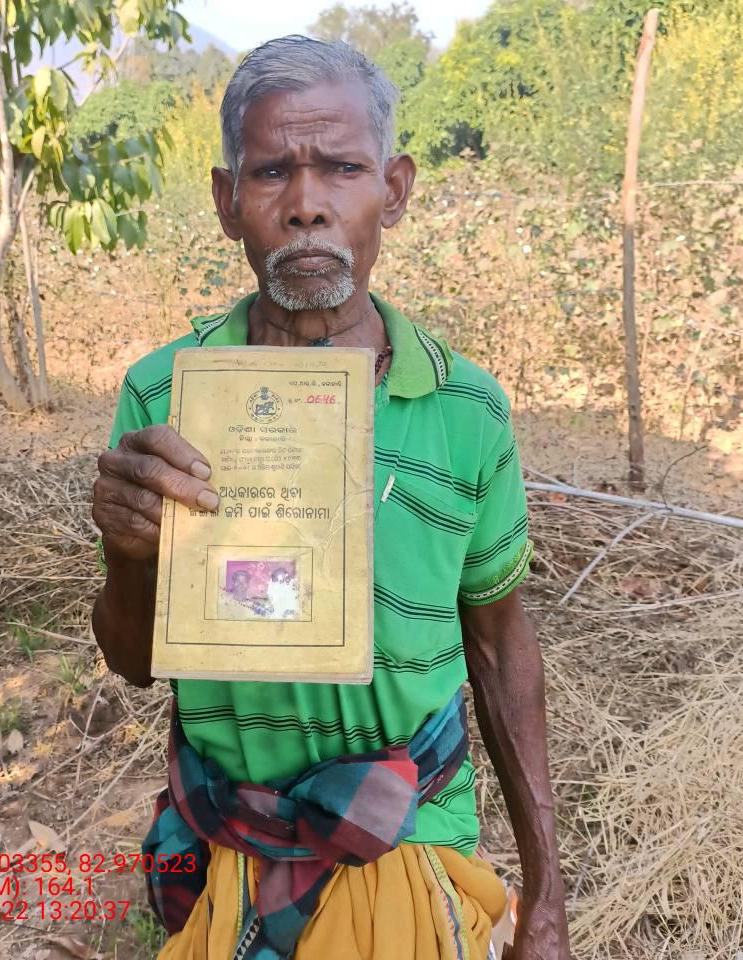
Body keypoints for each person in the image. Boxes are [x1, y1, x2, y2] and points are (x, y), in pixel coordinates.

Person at [91, 35, 571, 960]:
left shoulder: (466, 408)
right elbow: (134, 661)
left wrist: (546, 894)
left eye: (342, 168)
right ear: (227, 200)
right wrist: (128, 551)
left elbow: (501, 641)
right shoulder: (167, 395)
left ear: (394, 189)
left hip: (413, 850)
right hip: (228, 845)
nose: (306, 204)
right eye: (272, 171)